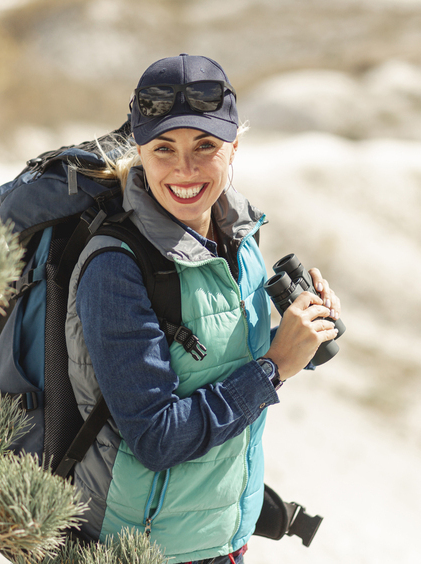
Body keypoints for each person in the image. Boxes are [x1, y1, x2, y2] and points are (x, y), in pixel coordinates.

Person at [65, 54, 341, 564]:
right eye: (164, 148)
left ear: (235, 146)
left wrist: (300, 330)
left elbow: (224, 365)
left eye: (206, 146)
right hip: (144, 551)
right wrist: (276, 365)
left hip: (223, 543)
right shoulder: (115, 268)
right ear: (140, 152)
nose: (184, 170)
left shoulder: (240, 237)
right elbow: (156, 437)